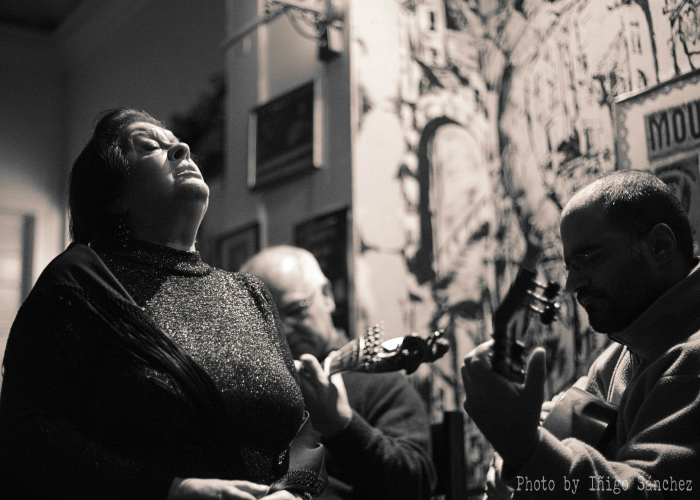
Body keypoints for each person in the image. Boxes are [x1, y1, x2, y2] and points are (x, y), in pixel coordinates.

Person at [0, 108, 326, 500]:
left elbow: (302, 431)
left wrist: (293, 492)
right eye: (151, 146)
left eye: (178, 143)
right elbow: (26, 435)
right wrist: (170, 490)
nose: (183, 149)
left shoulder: (249, 294)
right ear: (114, 198)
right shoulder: (78, 286)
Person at [461, 170, 700, 499]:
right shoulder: (621, 354)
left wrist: (524, 447)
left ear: (660, 246)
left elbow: (653, 492)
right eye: (570, 266)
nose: (572, 286)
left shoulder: (692, 357)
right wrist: (519, 452)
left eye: (589, 259)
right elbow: (553, 430)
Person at [241, 246, 437, 500]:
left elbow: (417, 485)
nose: (284, 330)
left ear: (327, 295)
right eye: (267, 320)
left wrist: (342, 425)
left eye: (296, 310)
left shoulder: (381, 385)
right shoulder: (253, 390)